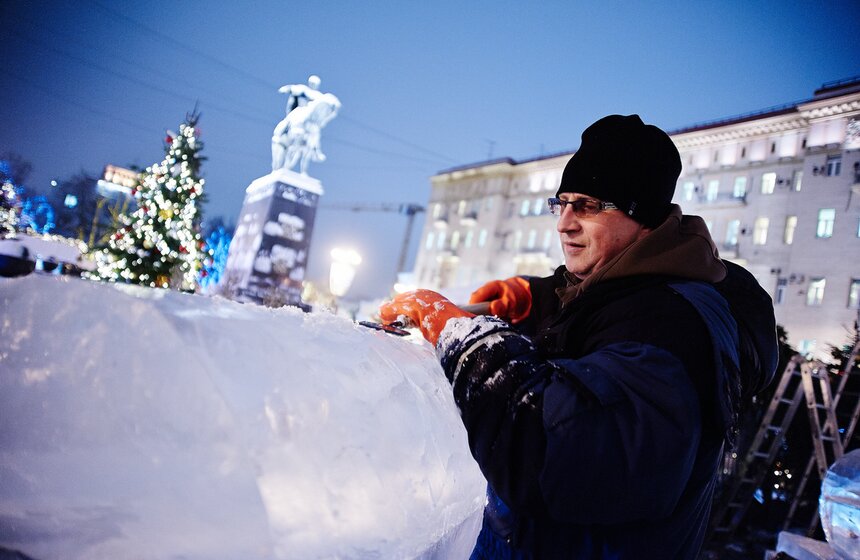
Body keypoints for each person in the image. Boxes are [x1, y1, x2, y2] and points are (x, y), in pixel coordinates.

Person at [378, 114, 778, 559]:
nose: (563, 223)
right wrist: (536, 295)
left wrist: (465, 339)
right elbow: (600, 303)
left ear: (639, 215)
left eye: (587, 205)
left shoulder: (668, 328)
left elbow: (554, 455)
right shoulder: (639, 285)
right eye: (561, 202)